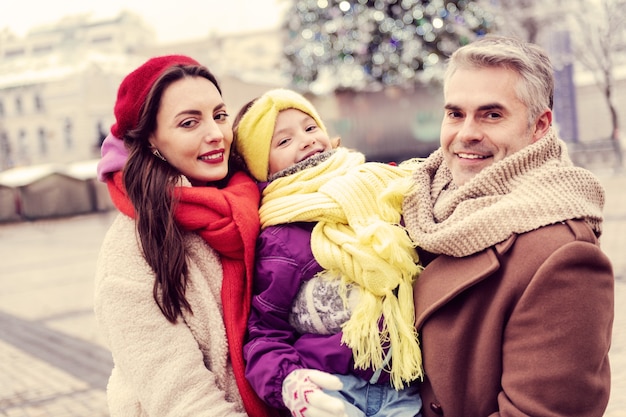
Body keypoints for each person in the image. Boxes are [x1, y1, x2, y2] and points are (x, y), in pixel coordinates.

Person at [401, 35, 614, 416]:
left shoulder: (563, 255)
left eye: (492, 115)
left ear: (540, 126)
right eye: (455, 114)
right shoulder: (413, 201)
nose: (466, 133)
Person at [93, 55, 276, 417]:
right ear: (150, 140)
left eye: (220, 115)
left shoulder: (259, 203)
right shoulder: (130, 252)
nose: (216, 134)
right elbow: (184, 401)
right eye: (190, 122)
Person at [234, 88, 424, 417]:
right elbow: (264, 331)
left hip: (402, 385)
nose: (306, 141)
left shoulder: (378, 186)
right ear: (260, 166)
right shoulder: (282, 234)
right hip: (331, 390)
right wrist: (289, 382)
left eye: (310, 128)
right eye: (283, 141)